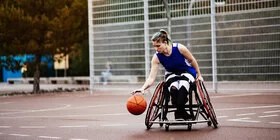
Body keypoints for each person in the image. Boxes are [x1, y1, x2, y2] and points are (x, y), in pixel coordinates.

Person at [133, 29, 203, 120]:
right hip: (171, 74)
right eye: (154, 46)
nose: (156, 49)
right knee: (173, 88)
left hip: (186, 72)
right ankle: (180, 112)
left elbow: (192, 60)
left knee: (183, 86)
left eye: (158, 46)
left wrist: (199, 74)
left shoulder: (179, 48)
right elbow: (151, 77)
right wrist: (142, 88)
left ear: (165, 42)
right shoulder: (156, 57)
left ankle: (179, 112)